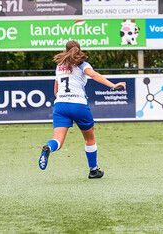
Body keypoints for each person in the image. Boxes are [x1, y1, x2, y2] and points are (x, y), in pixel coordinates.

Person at [38, 40, 126, 178]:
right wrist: (113, 85)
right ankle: (93, 170)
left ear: (66, 51)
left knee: (58, 141)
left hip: (60, 105)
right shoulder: (83, 64)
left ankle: (48, 148)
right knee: (89, 139)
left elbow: (56, 90)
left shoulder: (59, 66)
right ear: (79, 50)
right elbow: (94, 75)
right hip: (78, 105)